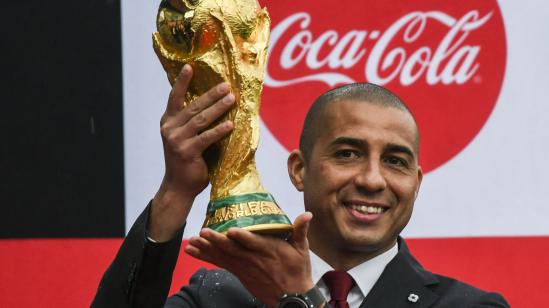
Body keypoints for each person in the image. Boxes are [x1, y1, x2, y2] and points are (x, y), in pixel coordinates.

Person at [92, 65, 509, 308]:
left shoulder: (471, 307)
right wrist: (176, 190)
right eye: (347, 153)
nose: (371, 179)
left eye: (395, 162)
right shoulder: (218, 297)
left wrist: (296, 300)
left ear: (416, 184)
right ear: (298, 169)